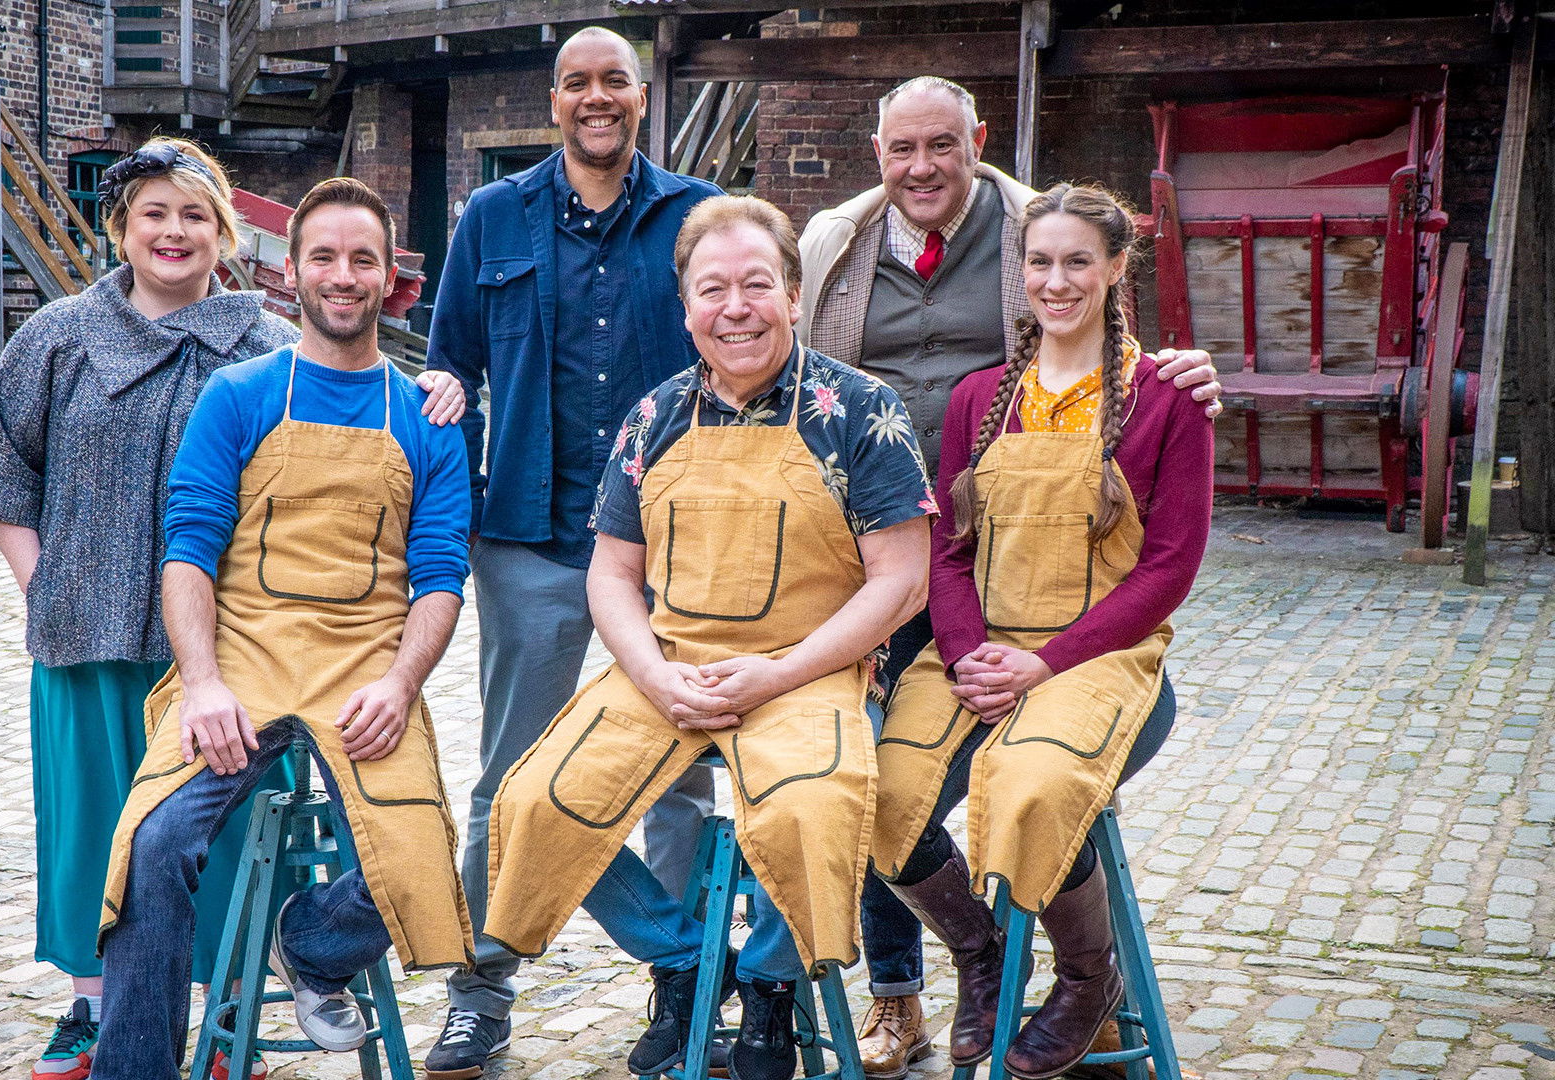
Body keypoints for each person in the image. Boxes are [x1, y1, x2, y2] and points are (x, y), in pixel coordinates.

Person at [0, 138, 463, 1080]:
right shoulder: (58, 337)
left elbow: (349, 370)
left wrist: (435, 382)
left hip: (233, 645)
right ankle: (94, 1010)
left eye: (194, 214)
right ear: (123, 227)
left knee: (233, 834)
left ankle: (236, 993)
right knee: (99, 823)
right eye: (154, 213)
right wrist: (51, 591)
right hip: (92, 630)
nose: (173, 231)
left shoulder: (264, 348)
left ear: (225, 234)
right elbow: (0, 479)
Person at [795, 76, 1222, 1079]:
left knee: (1029, 786)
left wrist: (1043, 662)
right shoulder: (985, 398)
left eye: (1080, 262)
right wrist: (969, 649)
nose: (1057, 280)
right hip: (972, 637)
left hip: (1094, 650)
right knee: (880, 799)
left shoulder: (1161, 400)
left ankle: (1085, 980)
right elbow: (949, 548)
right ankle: (979, 956)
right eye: (1042, 263)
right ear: (1019, 271)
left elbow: (1169, 568)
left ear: (1118, 270)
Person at [483, 196, 934, 1080]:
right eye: (712, 290)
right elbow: (611, 574)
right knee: (530, 804)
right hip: (669, 670)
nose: (736, 308)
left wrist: (778, 673)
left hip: (814, 673)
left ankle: (769, 986)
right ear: (684, 306)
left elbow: (901, 580)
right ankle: (685, 962)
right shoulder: (654, 418)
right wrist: (650, 673)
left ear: (795, 296)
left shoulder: (859, 411)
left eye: (757, 285)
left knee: (809, 810)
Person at [87, 177, 474, 1080]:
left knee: (415, 866)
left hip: (367, 668)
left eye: (363, 260)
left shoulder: (428, 416)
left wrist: (401, 684)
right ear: (290, 273)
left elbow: (442, 576)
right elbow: (186, 549)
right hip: (242, 657)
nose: (343, 277)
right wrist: (206, 683)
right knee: (152, 847)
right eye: (325, 258)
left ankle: (311, 944)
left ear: (394, 282)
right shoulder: (237, 394)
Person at [422, 26, 722, 1077]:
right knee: (512, 781)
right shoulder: (492, 218)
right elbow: (449, 373)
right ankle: (481, 989)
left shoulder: (695, 219)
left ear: (643, 97)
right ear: (553, 101)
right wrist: (444, 539)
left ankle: (682, 1004)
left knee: (677, 779)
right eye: (578, 83)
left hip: (670, 557)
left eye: (615, 82)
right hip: (531, 543)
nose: (597, 99)